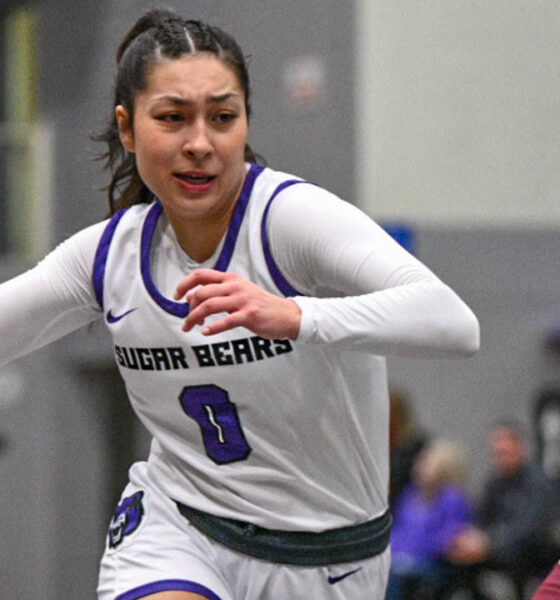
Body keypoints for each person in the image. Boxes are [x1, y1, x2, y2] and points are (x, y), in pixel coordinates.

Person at [0, 9, 480, 600]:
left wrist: (298, 316)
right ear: (127, 129)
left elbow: (455, 323)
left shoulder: (287, 220)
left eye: (222, 118)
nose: (200, 143)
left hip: (329, 558)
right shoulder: (107, 255)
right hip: (181, 527)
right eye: (173, 118)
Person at [448, 420, 553, 599]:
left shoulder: (538, 483)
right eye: (497, 453)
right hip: (496, 550)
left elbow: (529, 528)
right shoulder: (494, 483)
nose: (501, 457)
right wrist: (471, 539)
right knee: (457, 559)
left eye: (505, 451)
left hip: (531, 554)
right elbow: (482, 518)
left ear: (520, 447)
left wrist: (489, 543)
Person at [387, 439, 474, 600]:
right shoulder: (411, 494)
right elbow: (398, 529)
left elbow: (449, 538)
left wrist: (412, 552)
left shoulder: (452, 498)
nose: (418, 466)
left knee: (394, 575)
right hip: (403, 559)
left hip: (433, 565)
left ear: (442, 466)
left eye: (425, 462)